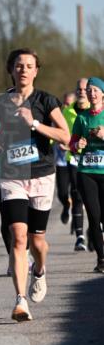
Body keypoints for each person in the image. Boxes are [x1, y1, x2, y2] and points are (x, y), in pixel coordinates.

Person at [0, 48, 70, 321]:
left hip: (42, 175)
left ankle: (41, 270)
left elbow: (65, 136)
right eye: (18, 65)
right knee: (18, 238)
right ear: (11, 69)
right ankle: (20, 300)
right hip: (11, 176)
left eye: (29, 65)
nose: (23, 69)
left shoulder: (46, 100)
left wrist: (33, 123)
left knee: (37, 241)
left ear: (36, 70)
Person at [70, 77, 104, 273]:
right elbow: (72, 145)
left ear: (102, 94)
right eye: (88, 90)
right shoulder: (82, 117)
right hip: (87, 172)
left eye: (95, 90)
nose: (91, 93)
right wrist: (77, 145)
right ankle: (101, 259)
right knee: (93, 216)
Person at [55, 90, 85, 250]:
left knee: (77, 193)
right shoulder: (64, 113)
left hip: (80, 157)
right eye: (65, 102)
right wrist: (55, 141)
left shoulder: (91, 112)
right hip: (64, 159)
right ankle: (67, 206)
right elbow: (56, 131)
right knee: (61, 193)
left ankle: (81, 234)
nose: (66, 104)